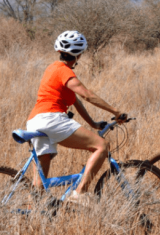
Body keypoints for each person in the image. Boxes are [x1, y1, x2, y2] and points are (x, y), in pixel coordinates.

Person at [27, 30, 126, 204]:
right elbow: (87, 95)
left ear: (59, 51)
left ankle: (36, 208)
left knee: (42, 173)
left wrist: (94, 124)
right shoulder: (64, 71)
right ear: (79, 55)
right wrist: (116, 112)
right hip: (52, 119)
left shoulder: (52, 68)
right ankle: (80, 193)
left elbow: (77, 102)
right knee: (102, 146)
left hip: (35, 120)